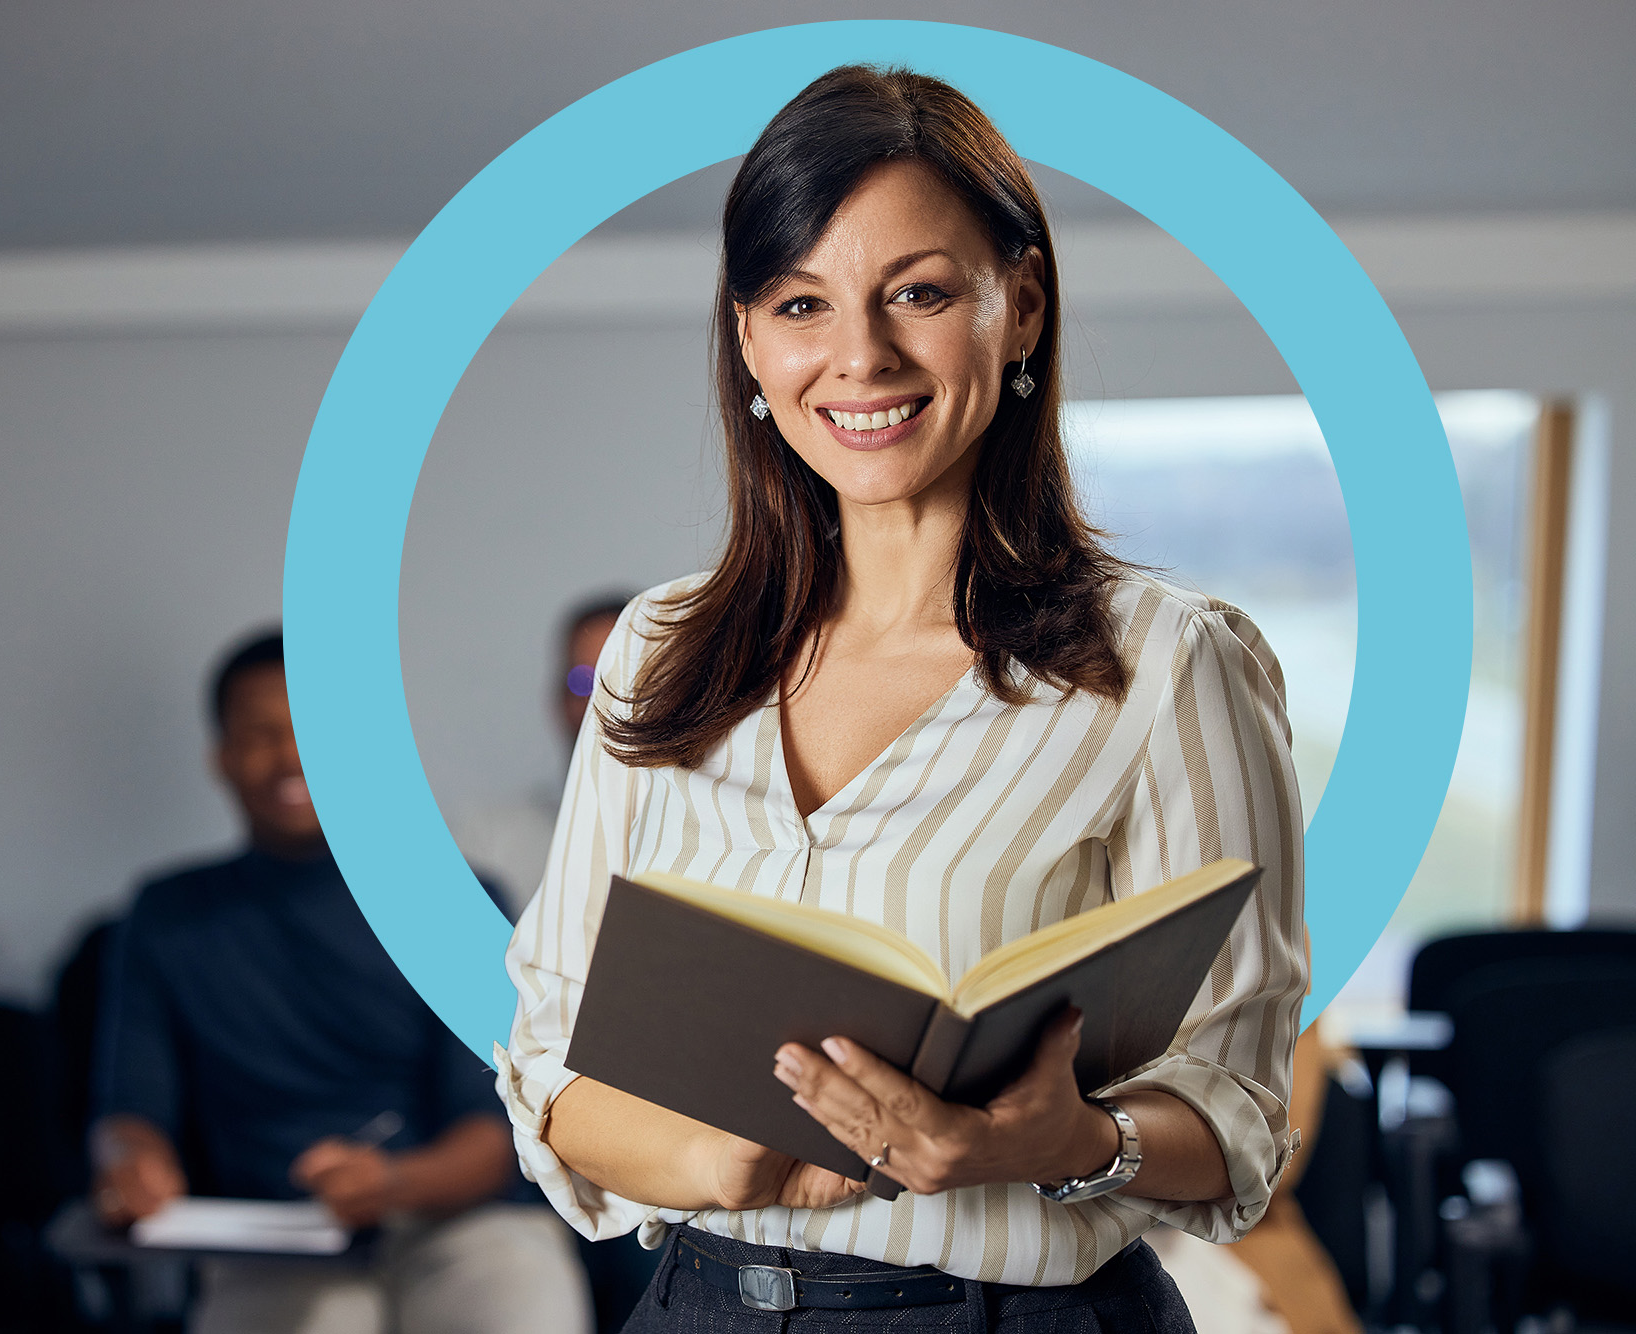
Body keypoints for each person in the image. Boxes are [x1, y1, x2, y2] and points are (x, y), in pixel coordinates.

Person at [497, 66, 1308, 1331]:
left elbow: (1236, 1111)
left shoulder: (1163, 663)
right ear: (750, 339)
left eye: (918, 294)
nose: (858, 356)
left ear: (1020, 305)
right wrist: (734, 1162)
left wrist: (1058, 1139)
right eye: (801, 302)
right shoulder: (660, 649)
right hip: (699, 1303)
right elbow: (548, 1062)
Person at [90, 629, 589, 1334]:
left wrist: (392, 1184)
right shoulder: (168, 917)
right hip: (272, 1239)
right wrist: (131, 1163)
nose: (289, 756)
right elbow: (130, 1107)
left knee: (519, 1298)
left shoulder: (445, 895)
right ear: (222, 758)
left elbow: (497, 1127)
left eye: (312, 732)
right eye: (260, 735)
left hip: (457, 1225)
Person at [457, 591, 635, 921]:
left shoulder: (709, 848)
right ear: (558, 701)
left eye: (623, 683)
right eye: (584, 682)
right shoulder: (489, 843)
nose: (603, 706)